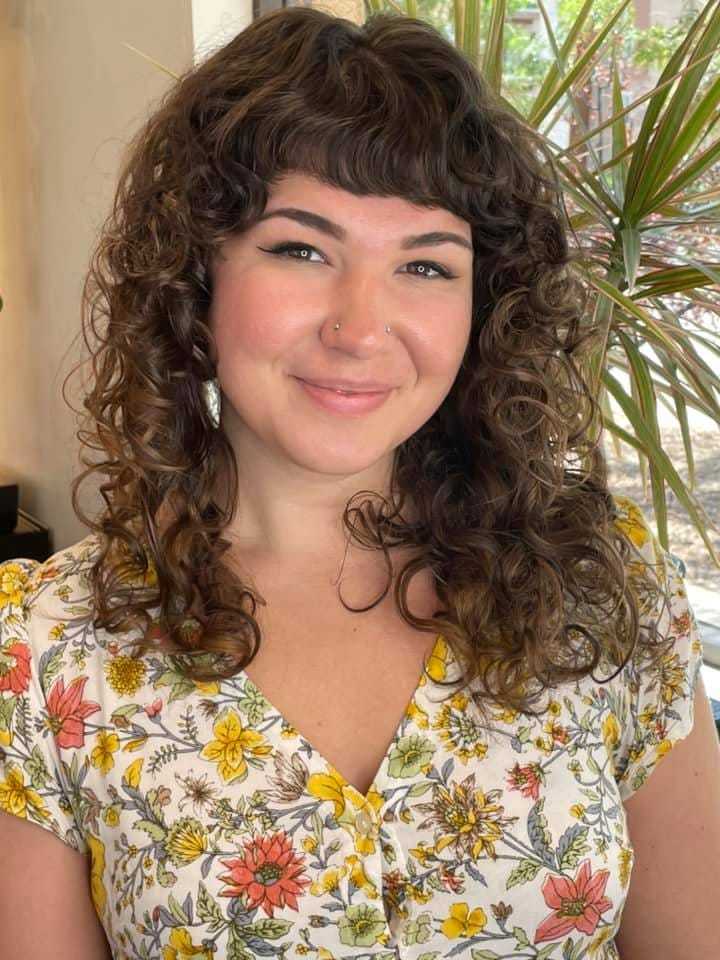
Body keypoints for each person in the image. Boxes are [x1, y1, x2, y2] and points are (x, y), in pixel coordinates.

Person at [1, 7, 719, 959]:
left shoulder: (599, 590)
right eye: (301, 248)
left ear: (483, 309)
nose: (361, 326)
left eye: (426, 264)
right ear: (197, 273)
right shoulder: (44, 651)